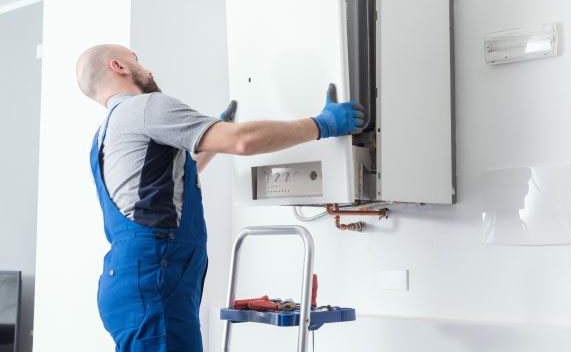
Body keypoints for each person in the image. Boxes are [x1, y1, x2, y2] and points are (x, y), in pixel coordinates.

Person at [75, 44, 364, 351]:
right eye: (137, 59)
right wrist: (323, 125)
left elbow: (169, 180)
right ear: (119, 66)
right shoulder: (146, 107)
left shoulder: (105, 133)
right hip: (154, 276)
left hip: (126, 281)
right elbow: (242, 141)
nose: (146, 68)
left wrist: (207, 141)